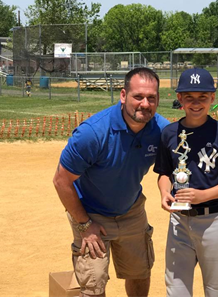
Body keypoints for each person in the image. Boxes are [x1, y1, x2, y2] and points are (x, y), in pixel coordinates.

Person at [53, 68, 170, 297]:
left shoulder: (162, 131)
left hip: (131, 209)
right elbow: (61, 181)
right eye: (138, 96)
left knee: (139, 272)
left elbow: (173, 168)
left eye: (151, 98)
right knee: (93, 283)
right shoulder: (93, 133)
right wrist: (85, 225)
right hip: (91, 212)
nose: (145, 104)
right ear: (123, 95)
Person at [154, 68, 218, 297]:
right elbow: (164, 173)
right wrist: (165, 192)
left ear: (212, 98)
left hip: (213, 220)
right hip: (178, 221)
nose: (196, 103)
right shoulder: (169, 133)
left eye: (202, 98)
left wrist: (203, 196)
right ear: (180, 100)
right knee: (176, 289)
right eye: (189, 98)